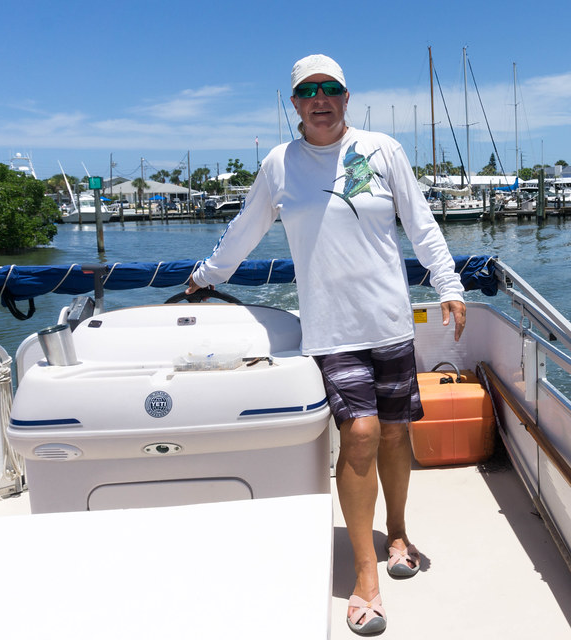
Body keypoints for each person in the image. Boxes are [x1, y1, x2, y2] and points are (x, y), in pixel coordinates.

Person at [185, 53, 467, 636]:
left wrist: (450, 284)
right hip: (331, 330)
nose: (320, 99)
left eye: (329, 89)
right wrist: (205, 277)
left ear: (346, 96)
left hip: (389, 321)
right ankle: (367, 575)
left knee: (394, 432)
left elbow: (422, 224)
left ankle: (399, 533)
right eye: (308, 91)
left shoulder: (383, 150)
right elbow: (244, 229)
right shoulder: (280, 165)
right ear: (294, 104)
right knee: (360, 434)